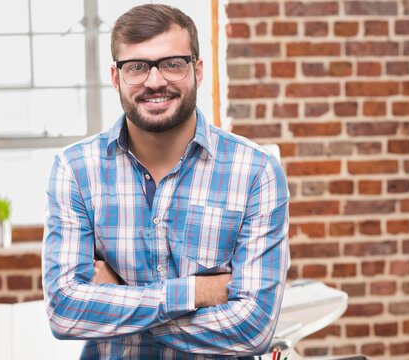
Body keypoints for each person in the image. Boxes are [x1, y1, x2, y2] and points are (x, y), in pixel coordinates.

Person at [42, 4, 290, 359]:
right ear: (116, 78)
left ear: (197, 70)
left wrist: (118, 297)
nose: (155, 81)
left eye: (172, 63)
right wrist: (194, 293)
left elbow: (253, 330)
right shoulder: (75, 170)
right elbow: (64, 312)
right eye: (137, 67)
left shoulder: (256, 172)